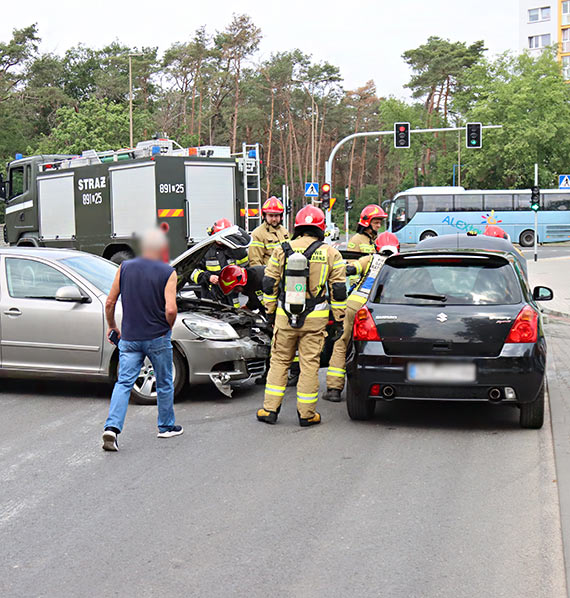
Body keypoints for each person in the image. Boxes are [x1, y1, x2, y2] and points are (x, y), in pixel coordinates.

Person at [257, 205, 347, 427]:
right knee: (309, 365)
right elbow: (338, 290)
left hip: (284, 317)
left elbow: (269, 284)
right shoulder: (330, 253)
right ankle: (307, 415)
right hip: (315, 321)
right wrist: (338, 319)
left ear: (297, 227)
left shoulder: (281, 249)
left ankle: (269, 410)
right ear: (320, 228)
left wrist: (270, 312)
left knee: (279, 362)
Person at [102, 228, 183, 452]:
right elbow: (170, 309)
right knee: (165, 382)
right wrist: (168, 326)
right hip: (157, 337)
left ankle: (112, 428)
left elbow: (109, 303)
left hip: (129, 338)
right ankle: (166, 427)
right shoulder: (168, 272)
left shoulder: (124, 268)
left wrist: (112, 326)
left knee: (124, 383)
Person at [323, 231, 399, 402]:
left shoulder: (371, 259)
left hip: (354, 304)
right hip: (377, 310)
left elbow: (348, 269)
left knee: (342, 343)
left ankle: (334, 389)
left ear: (377, 247)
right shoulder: (398, 264)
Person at [191, 218, 249, 307]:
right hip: (211, 296)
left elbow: (245, 268)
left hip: (232, 295)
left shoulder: (235, 249)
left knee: (234, 317)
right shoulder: (205, 251)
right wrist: (208, 277)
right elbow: (193, 272)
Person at [248, 197, 290, 266]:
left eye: (276, 215)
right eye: (270, 215)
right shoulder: (257, 234)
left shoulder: (284, 232)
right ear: (264, 216)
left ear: (281, 216)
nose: (274, 219)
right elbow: (255, 263)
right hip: (268, 275)